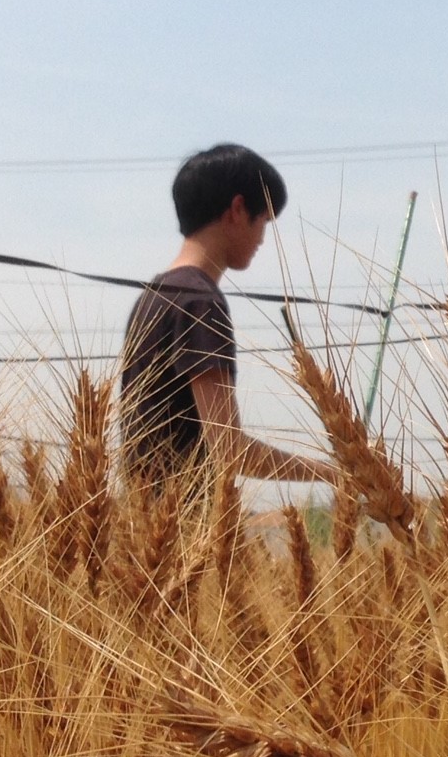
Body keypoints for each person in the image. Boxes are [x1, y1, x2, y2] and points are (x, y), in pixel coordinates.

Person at [119, 143, 334, 494]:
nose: (263, 239)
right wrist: (334, 473)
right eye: (265, 220)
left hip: (147, 524)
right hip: (187, 530)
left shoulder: (154, 295)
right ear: (237, 209)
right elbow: (230, 450)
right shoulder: (200, 302)